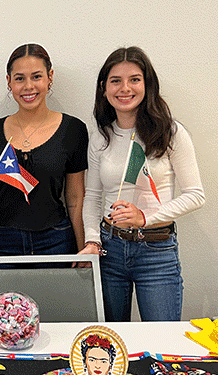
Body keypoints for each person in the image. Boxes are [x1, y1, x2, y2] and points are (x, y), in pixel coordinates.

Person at [79, 46, 205, 321]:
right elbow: (92, 197)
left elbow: (195, 195)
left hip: (157, 252)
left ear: (147, 84)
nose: (125, 88)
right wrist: (91, 239)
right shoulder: (101, 137)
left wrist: (144, 217)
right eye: (116, 81)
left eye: (134, 79)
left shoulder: (170, 132)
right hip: (109, 250)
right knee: (110, 345)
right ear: (104, 88)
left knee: (160, 344)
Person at [0, 44, 88, 266]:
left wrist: (82, 249)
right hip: (0, 243)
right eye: (19, 78)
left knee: (56, 302)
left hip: (56, 240)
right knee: (2, 303)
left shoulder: (73, 130)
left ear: (50, 77)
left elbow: (76, 199)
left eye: (36, 77)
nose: (28, 86)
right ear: (9, 81)